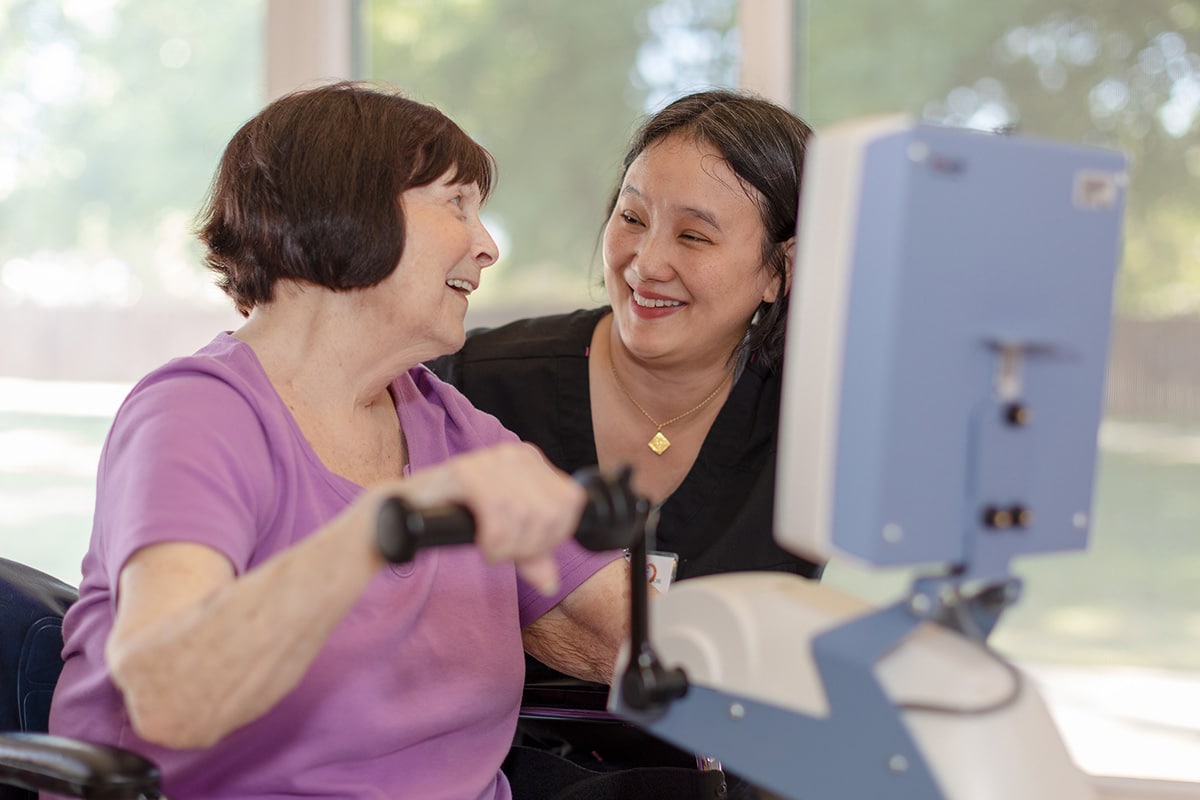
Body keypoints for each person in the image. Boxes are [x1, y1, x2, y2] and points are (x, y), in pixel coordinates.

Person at [47, 81, 631, 800]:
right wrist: (382, 529)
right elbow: (167, 695)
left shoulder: (448, 423)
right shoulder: (198, 415)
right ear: (349, 208)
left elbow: (619, 626)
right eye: (457, 205)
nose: (486, 248)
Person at [428, 89, 823, 795]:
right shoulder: (469, 387)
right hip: (501, 775)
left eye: (694, 236)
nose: (646, 262)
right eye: (632, 217)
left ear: (779, 271)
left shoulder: (816, 420)